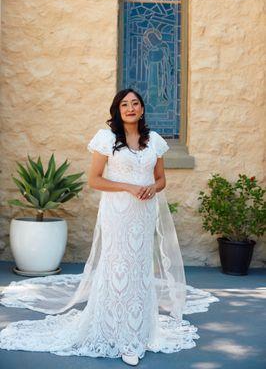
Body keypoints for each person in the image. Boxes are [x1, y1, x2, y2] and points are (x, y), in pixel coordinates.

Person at [0, 89, 219, 366]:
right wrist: (127, 186)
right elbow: (94, 180)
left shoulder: (155, 141)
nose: (130, 108)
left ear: (141, 110)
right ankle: (114, 331)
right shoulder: (105, 139)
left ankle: (138, 330)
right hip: (117, 212)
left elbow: (161, 179)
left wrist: (153, 187)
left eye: (135, 103)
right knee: (117, 266)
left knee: (140, 267)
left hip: (144, 212)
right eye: (124, 104)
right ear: (117, 110)